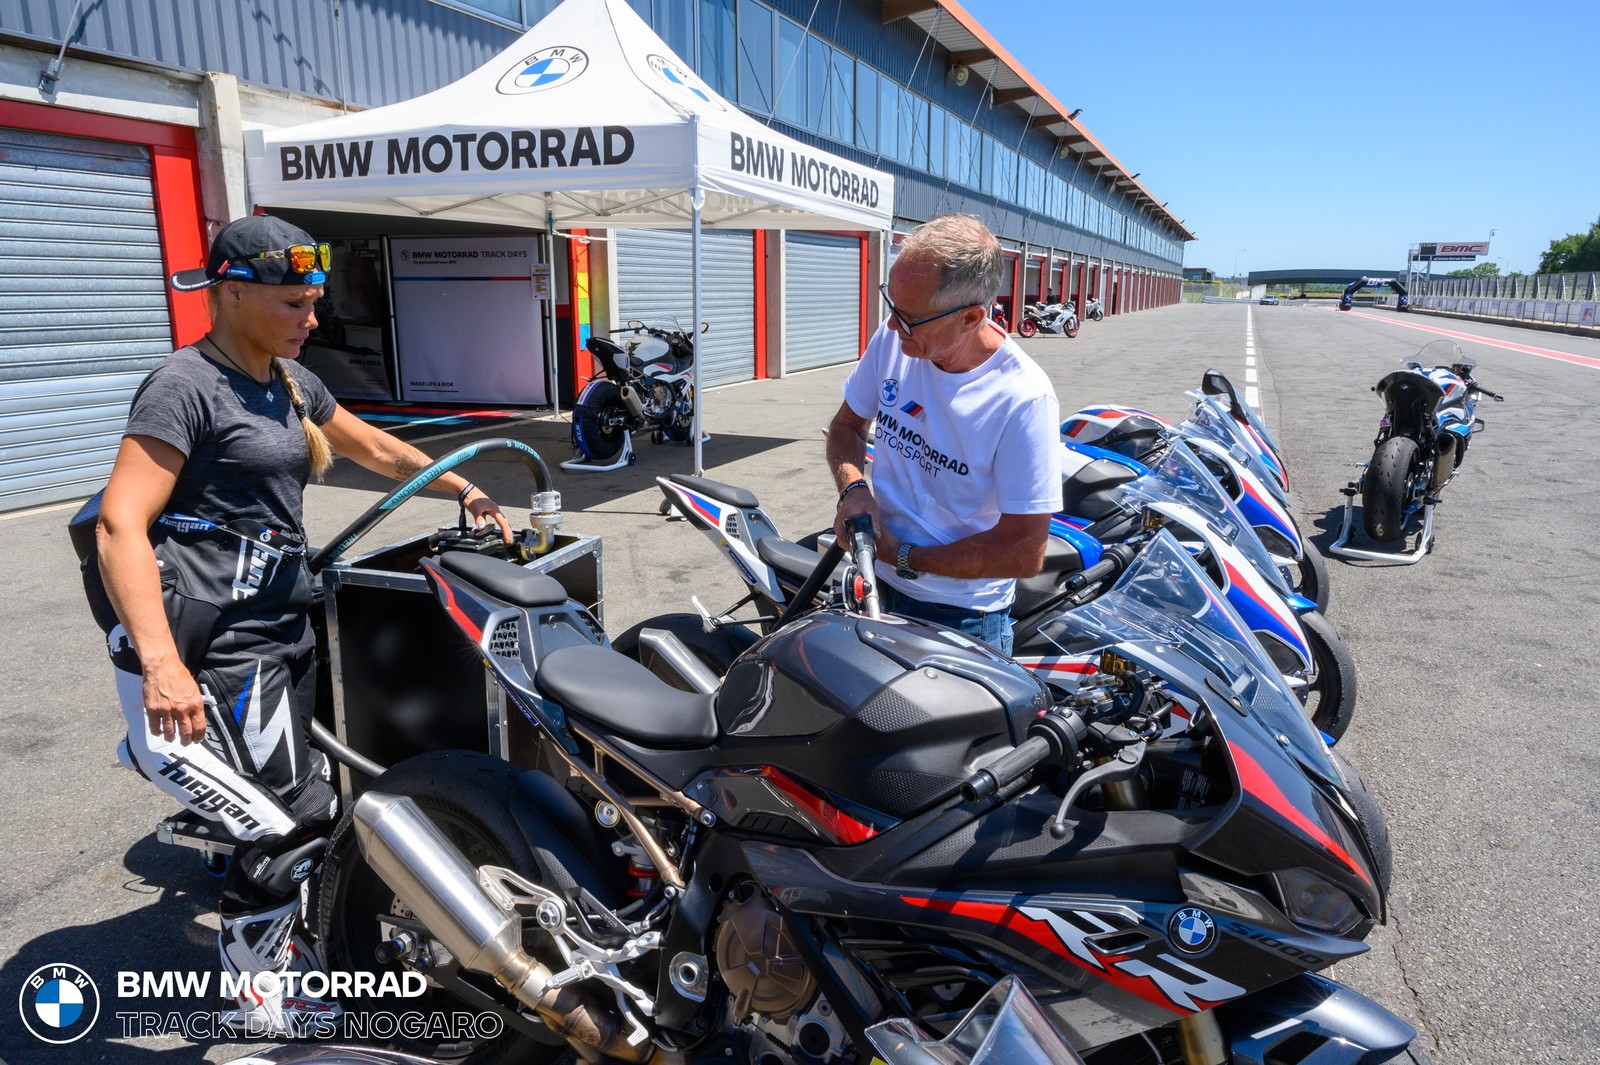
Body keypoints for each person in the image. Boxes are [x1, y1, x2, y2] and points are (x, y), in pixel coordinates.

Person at [78, 214, 513, 1034]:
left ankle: (284, 933)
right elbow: (119, 526)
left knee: (308, 796)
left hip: (288, 628)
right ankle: (253, 993)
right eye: (294, 303)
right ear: (232, 293)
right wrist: (163, 665)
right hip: (223, 648)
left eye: (313, 301)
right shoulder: (184, 387)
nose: (313, 318)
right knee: (294, 818)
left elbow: (368, 447)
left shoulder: (288, 379)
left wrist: (461, 487)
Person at [827, 215, 1061, 656]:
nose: (893, 327)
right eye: (890, 305)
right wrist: (854, 490)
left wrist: (905, 557)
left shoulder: (1024, 399)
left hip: (961, 616)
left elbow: (1024, 551)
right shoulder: (894, 340)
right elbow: (847, 426)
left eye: (910, 317)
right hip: (876, 581)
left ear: (972, 316)